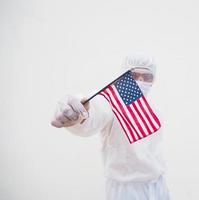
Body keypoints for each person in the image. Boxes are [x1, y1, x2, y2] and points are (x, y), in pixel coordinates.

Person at [51, 54, 170, 200]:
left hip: (158, 184)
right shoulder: (112, 104)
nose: (140, 81)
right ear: (124, 75)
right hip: (125, 189)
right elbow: (95, 113)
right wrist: (79, 113)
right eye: (134, 75)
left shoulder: (153, 106)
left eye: (147, 77)